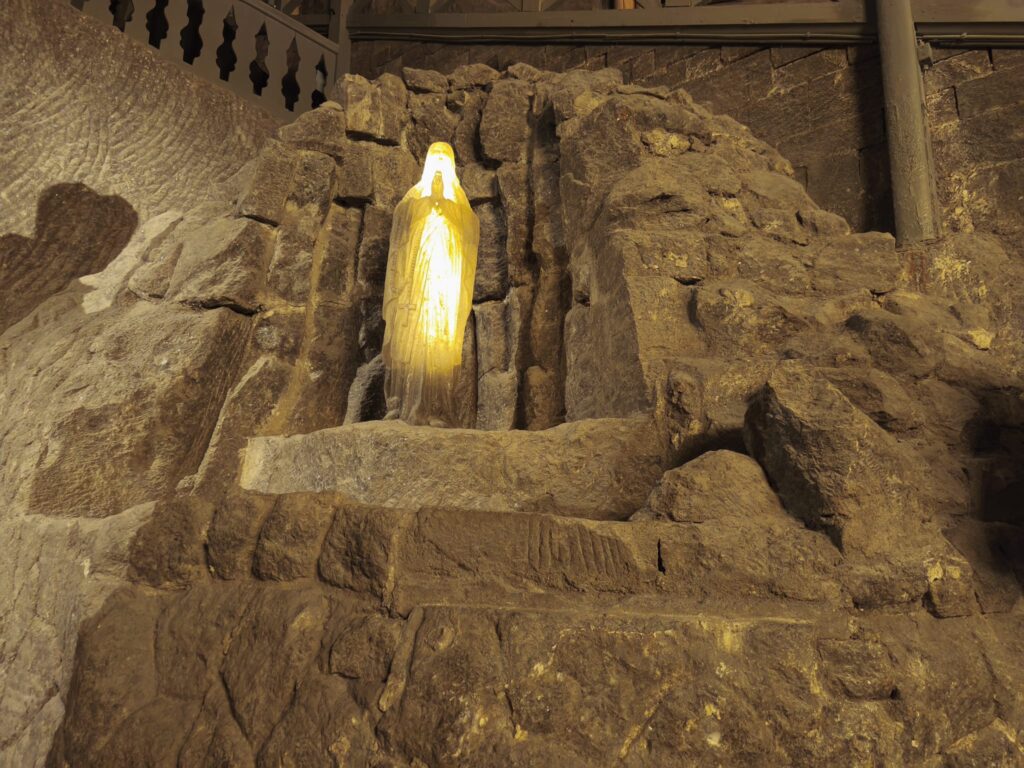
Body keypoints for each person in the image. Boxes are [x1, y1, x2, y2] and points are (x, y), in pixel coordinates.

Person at [381, 142, 479, 427]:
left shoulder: (460, 208)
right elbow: (401, 235)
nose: (438, 166)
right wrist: (427, 205)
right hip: (416, 284)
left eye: (444, 160)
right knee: (410, 342)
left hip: (443, 284)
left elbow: (469, 232)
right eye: (434, 159)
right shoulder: (412, 202)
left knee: (439, 346)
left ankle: (437, 409)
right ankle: (402, 403)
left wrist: (446, 208)